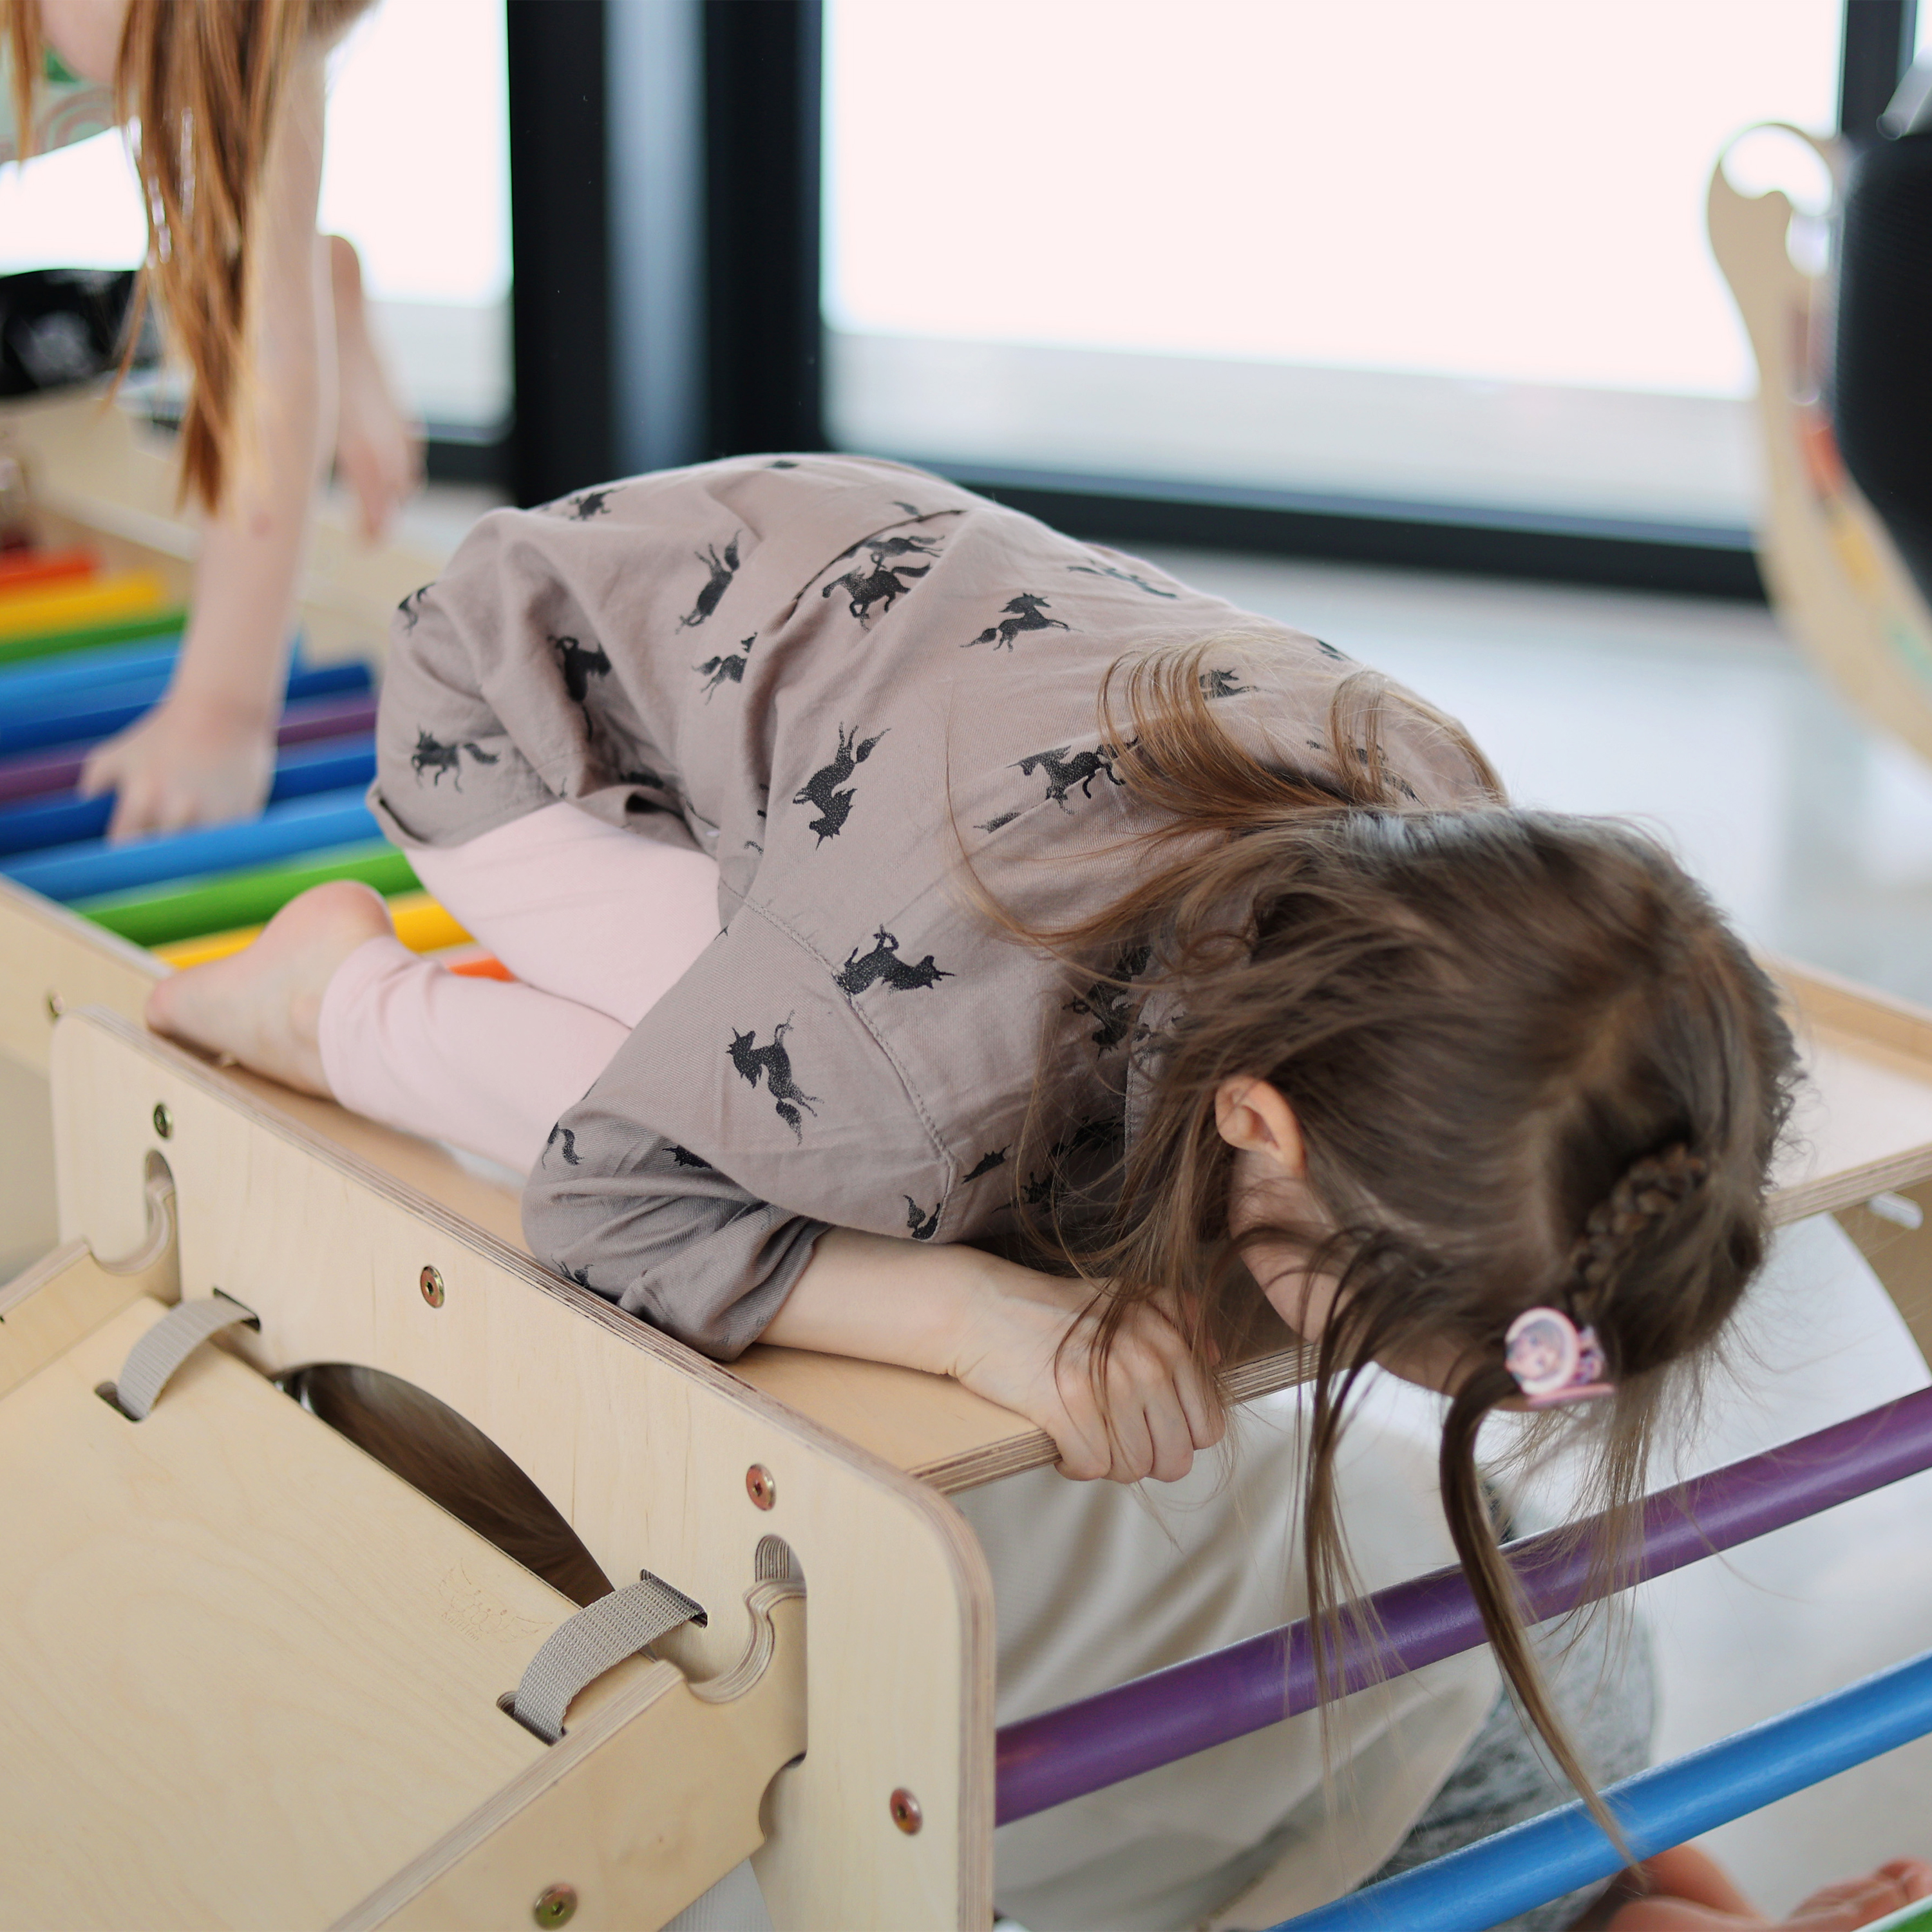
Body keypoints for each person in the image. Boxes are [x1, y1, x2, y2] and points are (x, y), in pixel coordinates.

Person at [147, 454, 1932, 1931]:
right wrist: (960, 1313)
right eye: (1377, 1329)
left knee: (846, 1086)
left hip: (867, 682)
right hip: (545, 719)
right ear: (1261, 1118)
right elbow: (614, 1198)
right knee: (737, 1115)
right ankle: (334, 1003)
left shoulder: (1448, 851)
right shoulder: (920, 1075)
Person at [1, 0, 419, 838]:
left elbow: (269, 351)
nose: (195, 70)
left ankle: (317, 274)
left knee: (244, 291)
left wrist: (222, 710)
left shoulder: (257, 26)